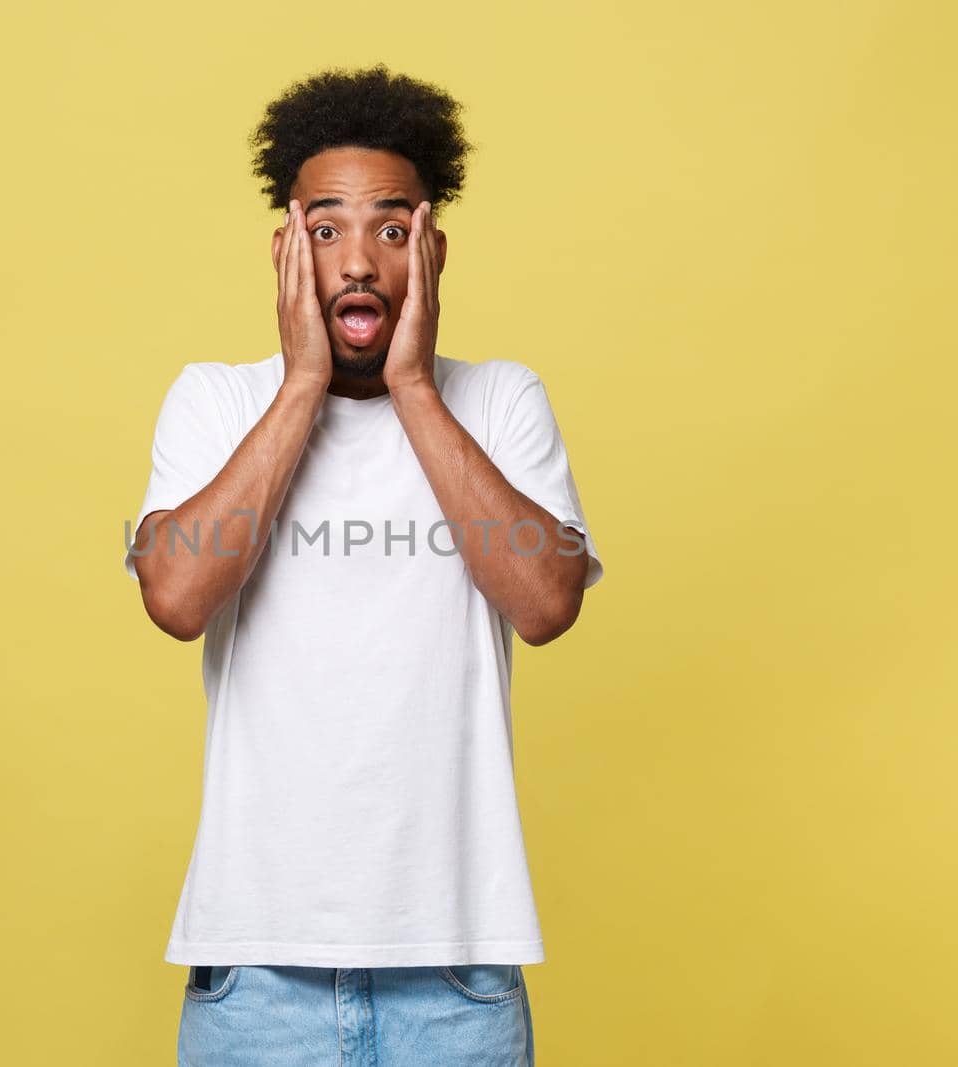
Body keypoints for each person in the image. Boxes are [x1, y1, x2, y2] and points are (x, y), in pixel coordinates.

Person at [123, 63, 603, 1066]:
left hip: (457, 975)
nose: (358, 260)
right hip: (255, 970)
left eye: (391, 229)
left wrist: (416, 386)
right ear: (284, 247)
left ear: (430, 247)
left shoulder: (500, 400)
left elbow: (545, 600)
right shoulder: (214, 400)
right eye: (325, 228)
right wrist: (301, 379)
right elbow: (174, 596)